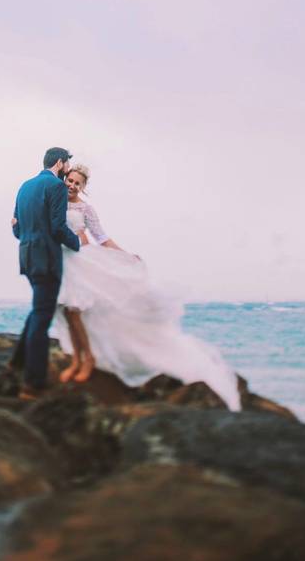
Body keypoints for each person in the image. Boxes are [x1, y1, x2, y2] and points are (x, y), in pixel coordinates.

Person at [49, 164, 241, 410]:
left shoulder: (86, 209)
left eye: (78, 183)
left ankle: (87, 359)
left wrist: (126, 255)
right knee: (66, 312)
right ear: (64, 180)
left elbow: (102, 237)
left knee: (75, 312)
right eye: (70, 180)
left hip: (83, 263)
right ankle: (77, 358)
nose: (72, 186)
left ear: (83, 188)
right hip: (61, 262)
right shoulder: (54, 203)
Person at [10, 147, 81, 398]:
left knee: (38, 309)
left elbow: (17, 229)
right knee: (42, 317)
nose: (67, 170)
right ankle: (33, 383)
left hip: (27, 255)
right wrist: (78, 245)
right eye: (66, 165)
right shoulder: (56, 187)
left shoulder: (24, 186)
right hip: (46, 259)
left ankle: (16, 363)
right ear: (60, 163)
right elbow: (58, 227)